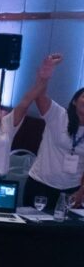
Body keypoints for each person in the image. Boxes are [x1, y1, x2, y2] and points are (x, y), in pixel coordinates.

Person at [23, 55, 84, 206]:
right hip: (40, 184)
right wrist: (44, 76)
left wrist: (81, 192)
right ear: (75, 101)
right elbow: (40, 96)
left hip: (71, 190)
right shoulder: (59, 115)